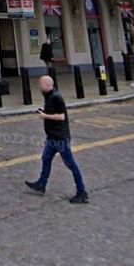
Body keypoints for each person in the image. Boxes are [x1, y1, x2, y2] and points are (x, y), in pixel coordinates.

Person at [24, 75, 88, 204]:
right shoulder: (49, 96)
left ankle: (82, 192)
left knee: (71, 165)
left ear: (48, 85)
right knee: (46, 158)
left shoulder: (56, 97)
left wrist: (45, 116)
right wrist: (44, 112)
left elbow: (61, 117)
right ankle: (41, 184)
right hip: (52, 137)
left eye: (41, 84)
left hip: (60, 138)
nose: (39, 86)